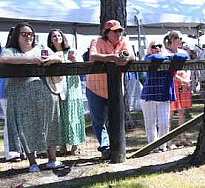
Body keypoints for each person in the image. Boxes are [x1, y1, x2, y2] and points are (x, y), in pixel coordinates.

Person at [0, 23, 64, 172]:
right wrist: (30, 59)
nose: (28, 36)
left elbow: (57, 56)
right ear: (17, 35)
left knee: (50, 124)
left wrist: (53, 60)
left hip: (46, 94)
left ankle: (52, 159)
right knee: (26, 128)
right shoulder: (10, 50)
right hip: (20, 96)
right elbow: (4, 59)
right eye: (24, 34)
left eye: (30, 34)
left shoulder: (41, 47)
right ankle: (32, 162)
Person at [86, 20, 134, 159]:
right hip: (95, 88)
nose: (119, 33)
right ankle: (105, 148)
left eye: (120, 30)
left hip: (116, 89)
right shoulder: (96, 40)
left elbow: (132, 55)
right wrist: (112, 58)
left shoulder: (124, 41)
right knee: (98, 120)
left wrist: (124, 59)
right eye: (115, 31)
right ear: (107, 32)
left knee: (116, 119)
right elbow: (93, 56)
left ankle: (117, 147)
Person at [140, 40, 187, 152]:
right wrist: (169, 58)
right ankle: (153, 147)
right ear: (149, 49)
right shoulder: (148, 58)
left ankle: (163, 146)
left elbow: (183, 55)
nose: (157, 48)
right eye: (153, 46)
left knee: (164, 124)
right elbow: (155, 58)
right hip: (149, 97)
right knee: (150, 124)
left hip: (164, 97)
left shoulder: (168, 58)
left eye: (159, 46)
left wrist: (168, 57)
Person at [47, 29, 86, 155]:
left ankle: (75, 145)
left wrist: (74, 61)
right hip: (57, 87)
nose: (57, 37)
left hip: (72, 87)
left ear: (63, 38)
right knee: (60, 117)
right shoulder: (49, 53)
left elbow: (81, 65)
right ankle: (62, 145)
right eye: (54, 36)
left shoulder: (71, 51)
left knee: (73, 114)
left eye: (59, 35)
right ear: (50, 40)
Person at [165, 31, 193, 147]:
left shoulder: (183, 52)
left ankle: (183, 137)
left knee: (182, 112)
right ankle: (168, 140)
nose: (181, 41)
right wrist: (181, 80)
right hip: (173, 84)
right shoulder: (166, 53)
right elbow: (168, 71)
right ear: (173, 39)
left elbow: (189, 67)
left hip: (184, 84)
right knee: (170, 113)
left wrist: (188, 79)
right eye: (179, 38)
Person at [1, 33, 22, 163]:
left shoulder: (21, 52)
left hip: (20, 92)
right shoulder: (6, 52)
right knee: (10, 123)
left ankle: (22, 151)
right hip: (5, 92)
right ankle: (12, 153)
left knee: (22, 122)